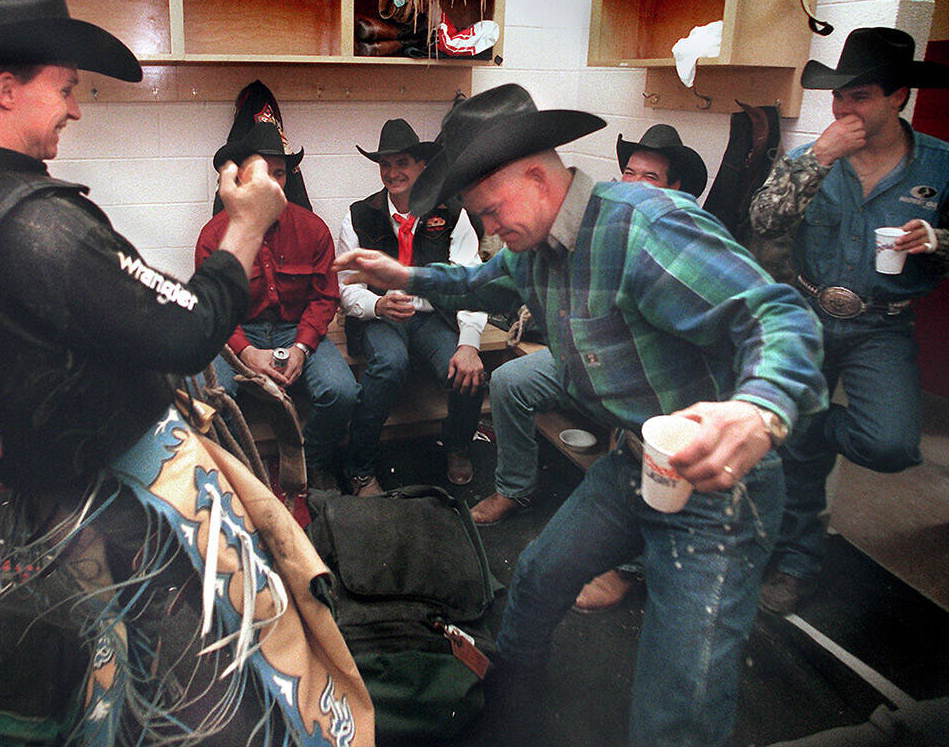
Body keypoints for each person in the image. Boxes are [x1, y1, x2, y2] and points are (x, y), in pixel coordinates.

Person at [0, 0, 372, 746]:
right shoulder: (39, 228)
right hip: (115, 503)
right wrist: (247, 226)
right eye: (64, 87)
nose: (72, 106)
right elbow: (188, 329)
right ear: (5, 88)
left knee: (97, 662)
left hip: (32, 487)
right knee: (198, 684)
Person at [335, 83, 827, 747]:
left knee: (679, 693)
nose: (486, 232)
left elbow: (780, 314)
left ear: (538, 177)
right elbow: (475, 281)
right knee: (537, 579)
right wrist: (403, 275)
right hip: (635, 460)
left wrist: (761, 409)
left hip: (720, 488)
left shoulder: (644, 227)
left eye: (489, 212)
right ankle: (507, 707)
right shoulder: (531, 246)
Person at [749, 27, 949, 615]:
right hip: (807, 312)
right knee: (797, 465)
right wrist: (817, 157)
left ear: (899, 97)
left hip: (880, 325)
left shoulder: (940, 164)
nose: (843, 108)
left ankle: (805, 428)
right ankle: (795, 565)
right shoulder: (816, 156)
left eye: (859, 96)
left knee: (888, 443)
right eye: (838, 96)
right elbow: (763, 219)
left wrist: (937, 241)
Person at [474, 123, 709, 614]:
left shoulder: (674, 234)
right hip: (580, 355)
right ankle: (515, 487)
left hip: (645, 384)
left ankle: (628, 567)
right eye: (630, 170)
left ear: (675, 188)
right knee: (510, 381)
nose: (635, 182)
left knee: (644, 434)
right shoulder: (597, 219)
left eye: (652, 176)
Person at [196, 121, 358, 490]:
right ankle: (240, 476)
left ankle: (308, 458)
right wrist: (246, 352)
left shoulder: (313, 229)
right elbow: (214, 309)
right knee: (208, 398)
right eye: (260, 173)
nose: (271, 183)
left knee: (343, 392)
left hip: (295, 327)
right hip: (237, 332)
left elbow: (325, 295)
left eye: (280, 173)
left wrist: (302, 346)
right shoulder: (213, 235)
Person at [336, 118, 486, 495]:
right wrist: (377, 305)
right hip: (379, 316)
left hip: (432, 316)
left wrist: (469, 341)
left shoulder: (452, 214)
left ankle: (457, 446)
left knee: (465, 372)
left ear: (422, 167)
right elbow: (344, 286)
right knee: (390, 362)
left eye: (402, 162)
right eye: (385, 164)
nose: (392, 173)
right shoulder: (358, 216)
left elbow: (472, 281)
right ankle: (360, 467)